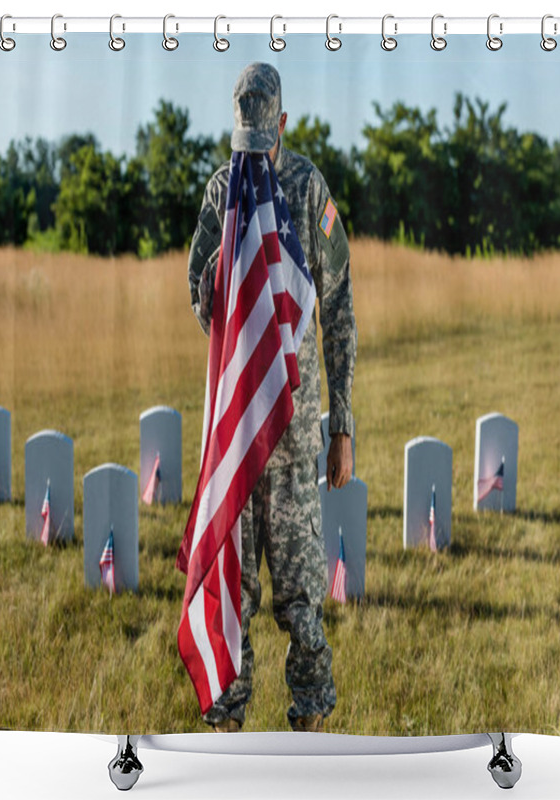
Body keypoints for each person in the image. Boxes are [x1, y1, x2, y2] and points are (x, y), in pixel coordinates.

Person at [187, 62, 356, 733]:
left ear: (283, 123)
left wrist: (340, 424)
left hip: (289, 435)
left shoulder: (308, 187)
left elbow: (338, 309)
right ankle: (228, 735)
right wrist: (217, 273)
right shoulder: (222, 188)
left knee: (301, 602)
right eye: (246, 141)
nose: (257, 151)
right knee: (232, 597)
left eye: (266, 138)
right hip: (238, 437)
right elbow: (203, 309)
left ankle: (309, 730)